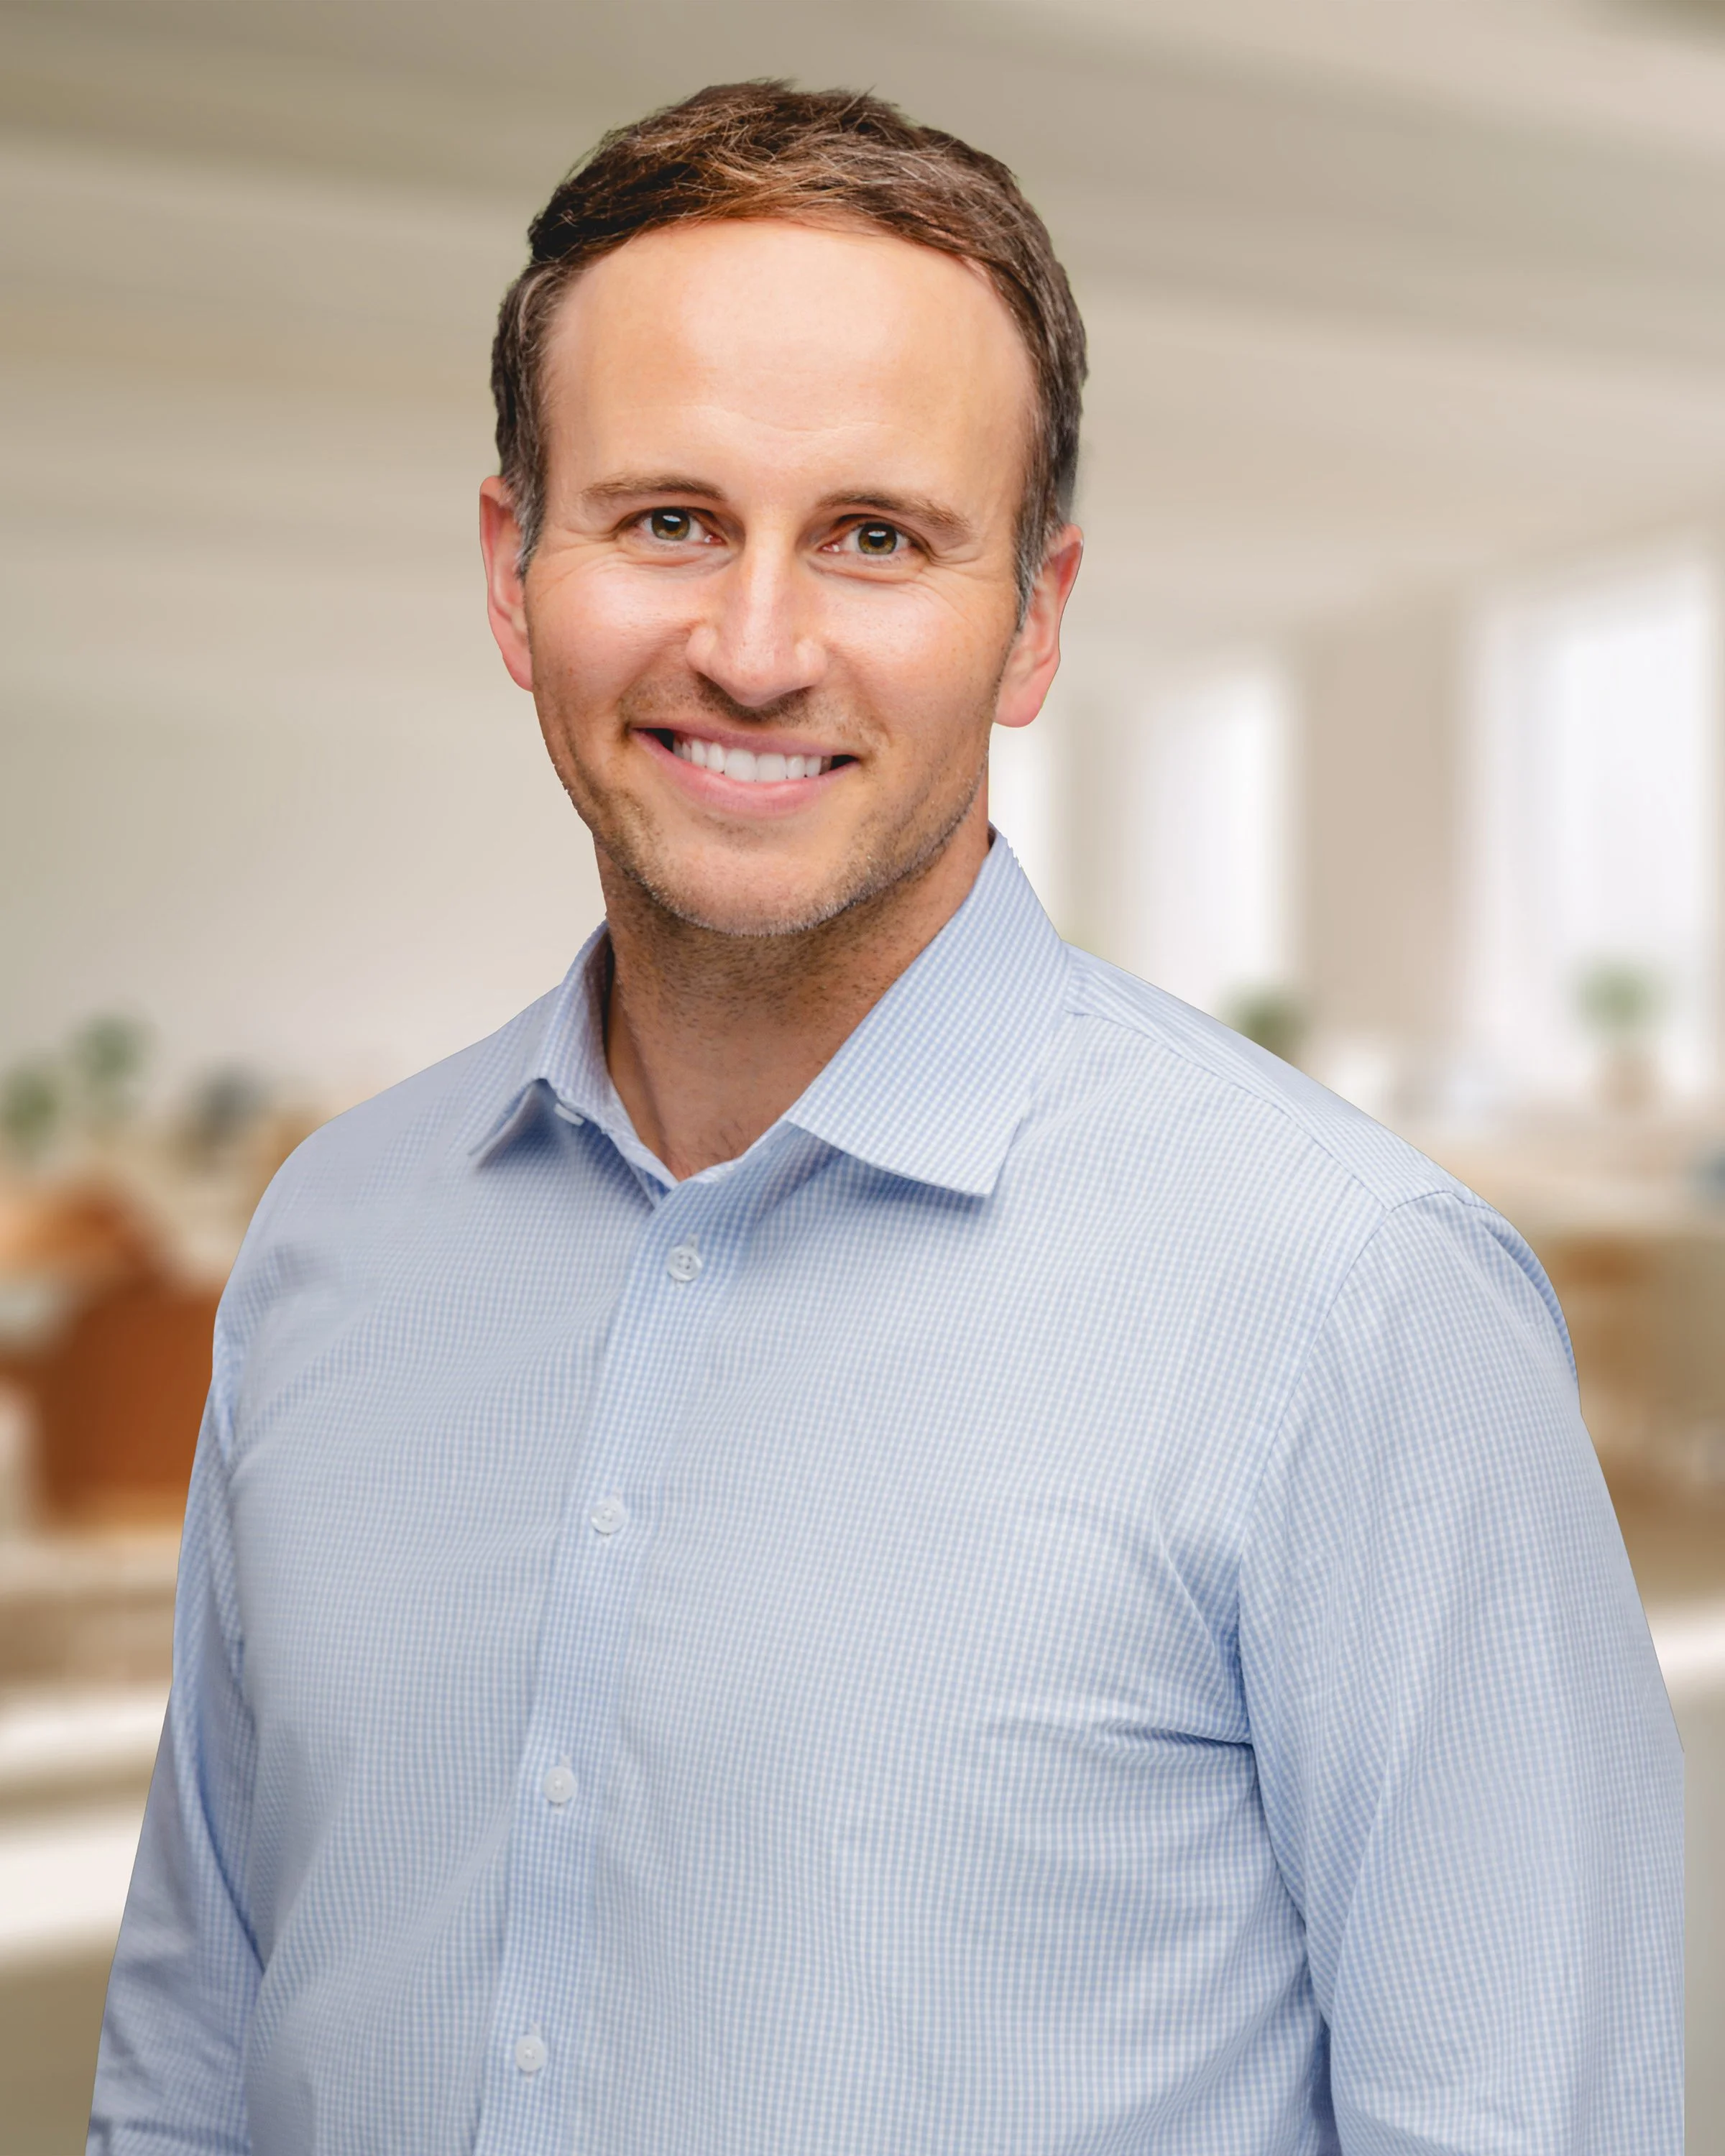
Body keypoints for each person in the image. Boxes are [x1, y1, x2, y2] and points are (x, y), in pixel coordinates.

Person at [91, 81, 1681, 2156]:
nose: (753, 648)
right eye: (667, 517)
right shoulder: (331, 1247)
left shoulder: (1349, 1307)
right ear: (512, 572)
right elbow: (198, 2059)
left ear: (1032, 616)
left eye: (877, 537)